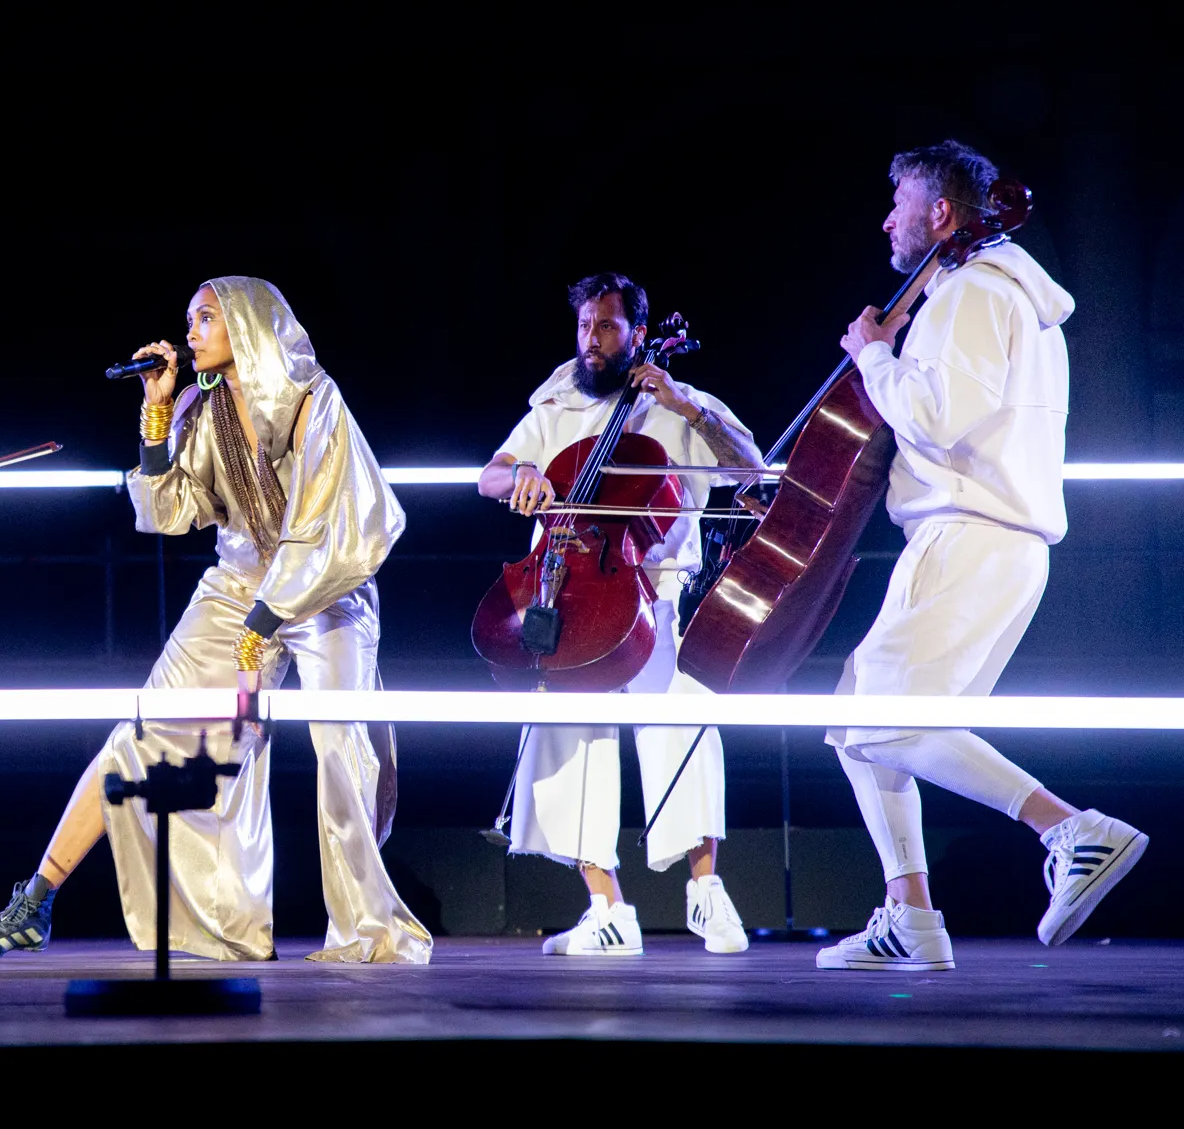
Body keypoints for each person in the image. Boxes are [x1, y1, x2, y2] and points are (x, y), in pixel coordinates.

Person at [0, 276, 430, 964]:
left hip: (325, 586)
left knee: (339, 748)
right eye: (189, 320)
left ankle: (370, 931)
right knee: (143, 730)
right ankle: (37, 898)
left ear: (248, 326)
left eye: (205, 318)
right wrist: (154, 412)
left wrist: (264, 624)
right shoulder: (199, 405)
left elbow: (344, 530)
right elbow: (173, 511)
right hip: (238, 581)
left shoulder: (315, 399)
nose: (191, 332)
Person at [816, 140, 1146, 971]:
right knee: (856, 723)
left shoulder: (969, 290)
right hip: (986, 538)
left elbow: (935, 412)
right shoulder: (1001, 292)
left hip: (970, 532)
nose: (886, 216)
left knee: (885, 721)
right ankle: (912, 915)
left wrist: (873, 355)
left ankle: (1072, 829)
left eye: (899, 200)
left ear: (941, 213)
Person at [478, 272, 764, 956]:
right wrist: (520, 476)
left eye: (606, 327)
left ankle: (705, 891)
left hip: (652, 593)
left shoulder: (678, 405)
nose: (592, 340)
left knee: (682, 725)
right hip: (566, 592)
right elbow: (490, 473)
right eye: (584, 326)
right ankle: (607, 909)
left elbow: (750, 471)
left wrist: (689, 410)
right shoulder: (554, 401)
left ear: (638, 332)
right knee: (568, 738)